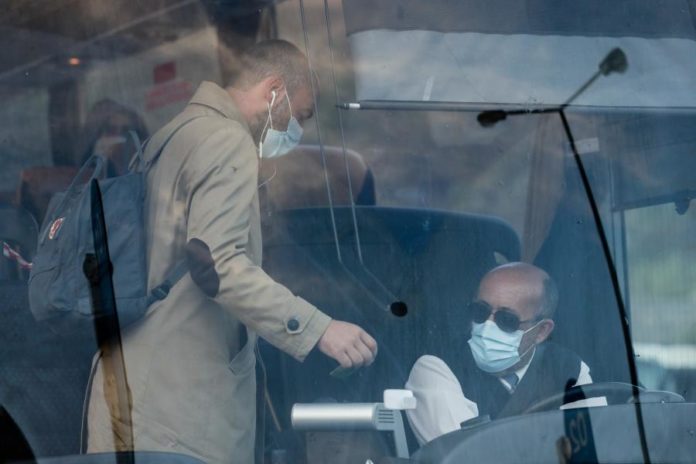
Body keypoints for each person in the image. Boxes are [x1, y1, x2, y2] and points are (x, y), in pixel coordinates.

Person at [86, 40, 377, 463]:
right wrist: (318, 329)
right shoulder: (226, 140)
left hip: (133, 385)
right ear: (273, 89)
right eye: (300, 115)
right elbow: (218, 262)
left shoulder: (171, 135)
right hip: (177, 410)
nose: (298, 129)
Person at [405, 262, 602, 445]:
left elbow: (592, 449)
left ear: (541, 331)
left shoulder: (568, 369)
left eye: (507, 320)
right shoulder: (436, 368)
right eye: (480, 311)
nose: (487, 326)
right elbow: (464, 455)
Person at [77, 99, 149, 176]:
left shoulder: (147, 173)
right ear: (98, 135)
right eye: (111, 130)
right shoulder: (84, 173)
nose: (118, 136)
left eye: (126, 131)